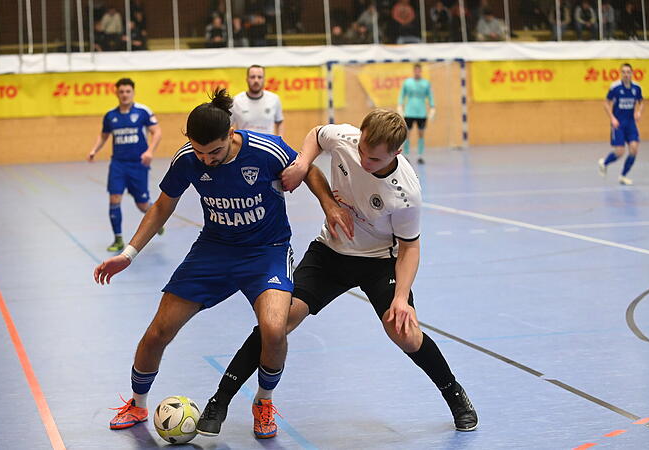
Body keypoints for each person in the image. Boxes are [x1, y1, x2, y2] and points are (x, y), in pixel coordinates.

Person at [195, 109, 478, 438]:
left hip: (378, 261)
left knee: (403, 331)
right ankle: (221, 400)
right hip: (330, 252)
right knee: (278, 321)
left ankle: (454, 393)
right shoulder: (348, 138)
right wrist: (302, 163)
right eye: (361, 150)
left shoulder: (405, 194)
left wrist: (401, 299)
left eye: (372, 159)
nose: (363, 160)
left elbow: (410, 249)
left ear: (397, 153)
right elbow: (317, 134)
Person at [94, 89, 342, 437]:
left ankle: (263, 401)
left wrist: (329, 205)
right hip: (214, 250)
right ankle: (136, 404)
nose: (206, 159)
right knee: (158, 332)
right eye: (199, 151)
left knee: (273, 330)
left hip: (266, 251)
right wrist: (128, 254)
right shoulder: (188, 159)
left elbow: (310, 169)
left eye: (214, 151)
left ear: (231, 134)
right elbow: (163, 206)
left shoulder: (266, 149)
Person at [87, 78, 162, 252]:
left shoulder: (143, 112)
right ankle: (118, 239)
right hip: (118, 164)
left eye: (128, 91)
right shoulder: (110, 116)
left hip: (138, 164)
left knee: (142, 204)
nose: (124, 95)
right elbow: (104, 135)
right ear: (116, 93)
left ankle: (157, 220)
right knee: (114, 199)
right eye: (121, 92)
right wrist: (94, 150)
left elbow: (156, 131)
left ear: (133, 93)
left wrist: (150, 151)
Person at [597, 63, 643, 185]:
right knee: (620, 152)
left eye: (628, 72)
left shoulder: (637, 88)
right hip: (618, 124)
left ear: (632, 73)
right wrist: (612, 118)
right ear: (620, 73)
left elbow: (641, 102)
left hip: (631, 123)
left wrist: (638, 112)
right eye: (623, 72)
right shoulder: (615, 87)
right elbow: (606, 104)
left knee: (634, 149)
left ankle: (623, 176)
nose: (626, 74)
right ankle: (604, 163)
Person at [230, 65, 284, 137]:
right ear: (247, 79)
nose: (256, 80)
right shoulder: (236, 101)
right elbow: (228, 126)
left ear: (264, 79)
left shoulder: (274, 99)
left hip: (268, 146)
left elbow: (279, 122)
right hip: (245, 146)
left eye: (259, 77)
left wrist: (280, 140)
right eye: (252, 77)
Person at [397, 63, 435, 164]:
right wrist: (400, 105)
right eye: (416, 70)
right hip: (409, 112)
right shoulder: (407, 83)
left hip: (421, 113)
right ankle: (406, 154)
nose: (417, 72)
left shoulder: (426, 83)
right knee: (407, 134)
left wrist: (432, 107)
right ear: (414, 71)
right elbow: (402, 95)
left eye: (419, 70)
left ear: (421, 71)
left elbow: (430, 96)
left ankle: (420, 155)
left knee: (421, 134)